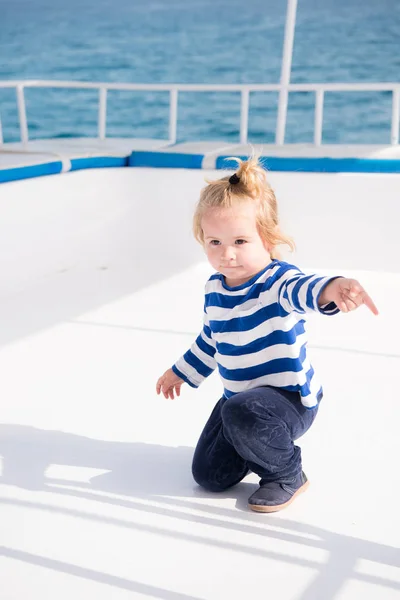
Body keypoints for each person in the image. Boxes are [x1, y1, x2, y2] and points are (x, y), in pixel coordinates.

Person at [156, 156, 378, 513]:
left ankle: (288, 475)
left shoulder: (277, 281)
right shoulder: (215, 289)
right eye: (214, 242)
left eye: (240, 241)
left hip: (287, 402)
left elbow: (305, 289)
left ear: (269, 239)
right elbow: (211, 340)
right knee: (208, 476)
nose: (227, 254)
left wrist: (333, 288)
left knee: (241, 411)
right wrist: (179, 372)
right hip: (241, 401)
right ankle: (252, 443)